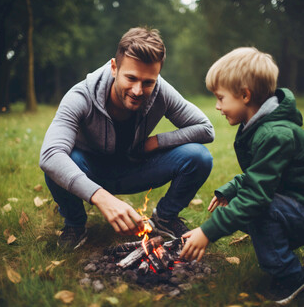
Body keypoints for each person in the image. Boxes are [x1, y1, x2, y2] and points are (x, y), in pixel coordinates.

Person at [39, 27, 214, 251]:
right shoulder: (80, 96)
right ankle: (75, 224)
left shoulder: (161, 91)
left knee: (198, 156)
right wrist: (101, 197)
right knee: (61, 161)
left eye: (148, 82)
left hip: (135, 168)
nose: (138, 90)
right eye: (130, 78)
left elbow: (205, 128)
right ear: (114, 67)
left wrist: (156, 142)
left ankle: (165, 218)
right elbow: (50, 155)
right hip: (90, 172)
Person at [180, 47, 304, 305]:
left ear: (245, 95)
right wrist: (231, 190)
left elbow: (257, 196)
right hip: (294, 203)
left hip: (298, 206)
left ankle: (291, 277)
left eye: (221, 97)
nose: (217, 106)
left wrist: (207, 232)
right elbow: (259, 175)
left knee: (257, 209)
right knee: (242, 206)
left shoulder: (274, 134)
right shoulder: (260, 126)